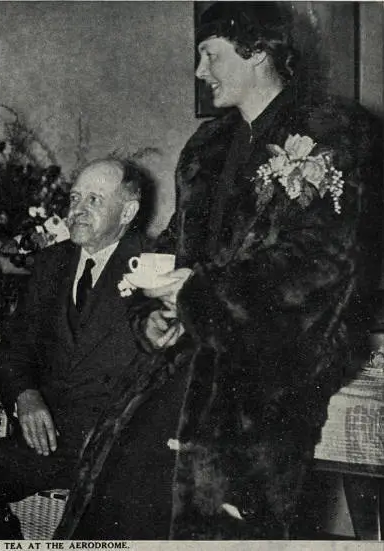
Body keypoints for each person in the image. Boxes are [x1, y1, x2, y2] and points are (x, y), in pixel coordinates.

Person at [141, 2, 383, 539]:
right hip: (188, 368)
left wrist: (199, 297)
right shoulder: (205, 148)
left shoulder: (332, 131)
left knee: (233, 530)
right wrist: (155, 311)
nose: (200, 73)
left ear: (256, 53)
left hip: (273, 376)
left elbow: (319, 268)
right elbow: (176, 246)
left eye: (209, 55)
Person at [0, 157, 181, 539]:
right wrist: (25, 395)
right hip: (47, 443)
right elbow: (13, 350)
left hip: (117, 452)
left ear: (127, 212)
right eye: (75, 198)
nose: (78, 210)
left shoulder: (153, 267)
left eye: (95, 200)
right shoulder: (52, 263)